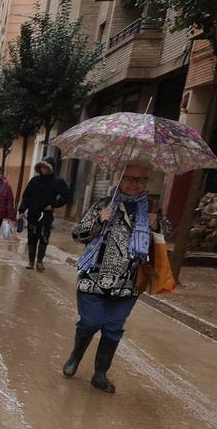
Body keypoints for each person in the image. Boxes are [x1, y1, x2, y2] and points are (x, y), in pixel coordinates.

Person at [63, 160, 170, 393]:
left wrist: (156, 226)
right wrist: (98, 220)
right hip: (94, 277)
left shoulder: (152, 208)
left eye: (141, 179)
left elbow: (166, 235)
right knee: (90, 323)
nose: (135, 184)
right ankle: (75, 356)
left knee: (113, 328)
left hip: (129, 282)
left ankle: (100, 374)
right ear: (120, 178)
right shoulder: (103, 204)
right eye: (130, 178)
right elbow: (77, 234)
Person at [18, 159, 70, 271]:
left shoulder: (58, 181)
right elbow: (26, 196)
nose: (43, 170)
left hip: (46, 215)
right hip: (33, 214)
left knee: (44, 237)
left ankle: (40, 262)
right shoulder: (34, 180)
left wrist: (54, 204)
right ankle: (31, 261)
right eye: (42, 167)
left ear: (51, 168)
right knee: (32, 237)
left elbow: (66, 196)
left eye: (46, 167)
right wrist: (22, 211)